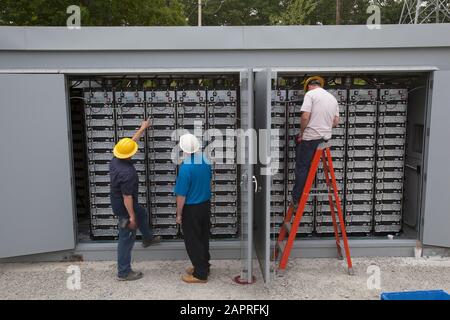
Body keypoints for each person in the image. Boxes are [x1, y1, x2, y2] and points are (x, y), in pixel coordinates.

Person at [110, 119, 161, 281]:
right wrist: (131, 217)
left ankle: (148, 238)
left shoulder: (115, 159)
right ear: (130, 155)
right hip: (124, 206)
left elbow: (130, 143)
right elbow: (127, 198)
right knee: (126, 238)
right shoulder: (128, 173)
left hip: (119, 200)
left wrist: (142, 128)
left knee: (142, 213)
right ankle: (123, 272)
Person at [291, 77, 340, 207]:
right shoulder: (332, 98)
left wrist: (302, 134)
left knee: (302, 168)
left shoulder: (310, 94)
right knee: (309, 166)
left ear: (309, 86)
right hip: (324, 141)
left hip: (310, 138)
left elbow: (305, 116)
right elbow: (335, 122)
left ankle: (297, 198)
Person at [174, 133, 212, 284]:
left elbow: (181, 196)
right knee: (203, 237)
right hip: (205, 205)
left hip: (192, 209)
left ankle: (200, 274)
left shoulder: (185, 169)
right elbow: (209, 180)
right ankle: (204, 265)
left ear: (182, 149)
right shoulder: (204, 160)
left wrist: (179, 214)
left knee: (192, 240)